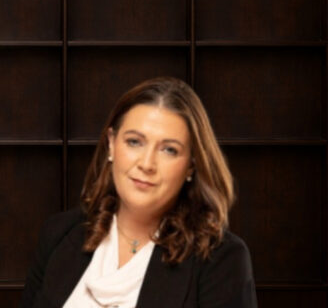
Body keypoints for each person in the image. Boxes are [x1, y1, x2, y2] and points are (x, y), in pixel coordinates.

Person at [20, 77, 256, 308]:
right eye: (134, 142)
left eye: (169, 150)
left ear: (191, 166)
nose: (147, 164)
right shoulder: (58, 235)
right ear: (111, 144)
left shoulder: (221, 260)